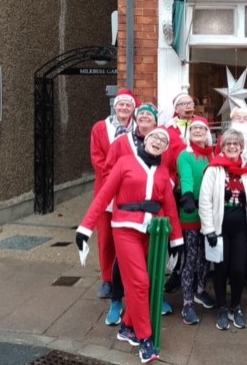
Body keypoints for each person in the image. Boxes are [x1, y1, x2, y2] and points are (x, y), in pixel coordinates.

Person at [76, 126, 183, 363]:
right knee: (140, 282)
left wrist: (177, 240)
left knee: (143, 283)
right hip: (125, 230)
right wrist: (85, 229)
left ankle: (127, 326)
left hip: (153, 233)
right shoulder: (125, 163)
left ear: (165, 149)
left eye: (163, 141)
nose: (157, 141)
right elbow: (104, 195)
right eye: (154, 137)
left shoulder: (163, 171)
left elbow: (171, 208)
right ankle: (146, 338)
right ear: (145, 140)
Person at [102, 103, 173, 322]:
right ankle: (116, 301)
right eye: (141, 115)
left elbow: (170, 172)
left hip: (153, 212)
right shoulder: (122, 142)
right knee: (123, 260)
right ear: (136, 118)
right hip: (127, 211)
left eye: (148, 116)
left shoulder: (162, 144)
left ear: (155, 122)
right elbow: (108, 171)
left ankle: (155, 297)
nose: (144, 118)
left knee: (154, 256)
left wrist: (163, 186)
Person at [199, 129, 247, 330]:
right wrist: (209, 230)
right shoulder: (214, 169)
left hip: (240, 228)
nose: (232, 147)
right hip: (219, 228)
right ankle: (222, 308)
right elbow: (204, 201)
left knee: (239, 269)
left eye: (236, 144)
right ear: (222, 147)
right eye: (228, 144)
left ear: (241, 147)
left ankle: (235, 306)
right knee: (221, 269)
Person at [89, 88, 138, 300]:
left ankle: (126, 278)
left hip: (131, 192)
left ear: (133, 108)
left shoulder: (140, 129)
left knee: (128, 237)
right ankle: (107, 279)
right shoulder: (101, 128)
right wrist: (114, 178)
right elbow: (97, 158)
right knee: (106, 238)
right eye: (121, 104)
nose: (124, 108)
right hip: (106, 189)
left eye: (128, 105)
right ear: (115, 106)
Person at [216, 105, 247, 295]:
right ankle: (229, 276)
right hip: (230, 195)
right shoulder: (225, 141)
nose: (244, 122)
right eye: (240, 119)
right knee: (230, 241)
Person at [176, 116, 216, 325]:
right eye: (194, 128)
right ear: (189, 133)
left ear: (207, 133)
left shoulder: (213, 154)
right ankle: (187, 302)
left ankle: (200, 289)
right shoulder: (186, 155)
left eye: (202, 128)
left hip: (210, 215)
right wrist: (188, 195)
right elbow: (186, 178)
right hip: (191, 212)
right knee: (191, 258)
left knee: (205, 257)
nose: (198, 131)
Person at [163, 92, 196, 293]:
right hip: (175, 189)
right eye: (183, 104)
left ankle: (190, 272)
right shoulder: (167, 130)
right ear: (176, 108)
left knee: (192, 232)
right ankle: (175, 270)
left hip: (195, 189)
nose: (187, 106)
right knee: (174, 231)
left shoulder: (201, 126)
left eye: (190, 103)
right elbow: (165, 160)